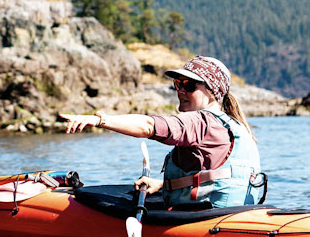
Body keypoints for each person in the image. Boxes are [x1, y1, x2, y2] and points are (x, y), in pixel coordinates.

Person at [61, 55, 263, 208]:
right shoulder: (234, 125)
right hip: (231, 212)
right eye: (178, 84)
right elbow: (213, 177)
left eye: (189, 85)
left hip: (205, 219)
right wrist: (163, 184)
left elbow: (149, 127)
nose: (180, 91)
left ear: (212, 92)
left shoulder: (200, 122)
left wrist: (99, 120)